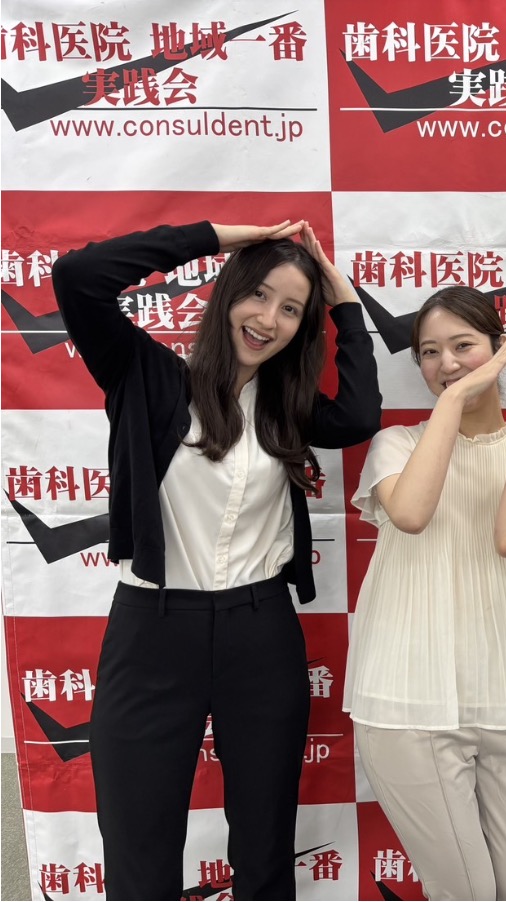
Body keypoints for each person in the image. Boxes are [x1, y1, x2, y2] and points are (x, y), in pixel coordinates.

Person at [52, 218, 382, 899]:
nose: (268, 319)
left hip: (260, 634)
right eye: (258, 295)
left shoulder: (288, 406)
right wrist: (219, 238)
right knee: (139, 855)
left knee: (264, 853)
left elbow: (358, 415)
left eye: (291, 309)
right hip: (151, 634)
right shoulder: (145, 373)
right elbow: (79, 277)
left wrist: (343, 302)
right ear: (229, 292)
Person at [345, 286, 506, 901]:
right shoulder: (397, 444)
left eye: (463, 346)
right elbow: (412, 514)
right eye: (429, 352)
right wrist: (455, 398)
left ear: (502, 350)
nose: (445, 363)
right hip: (409, 701)